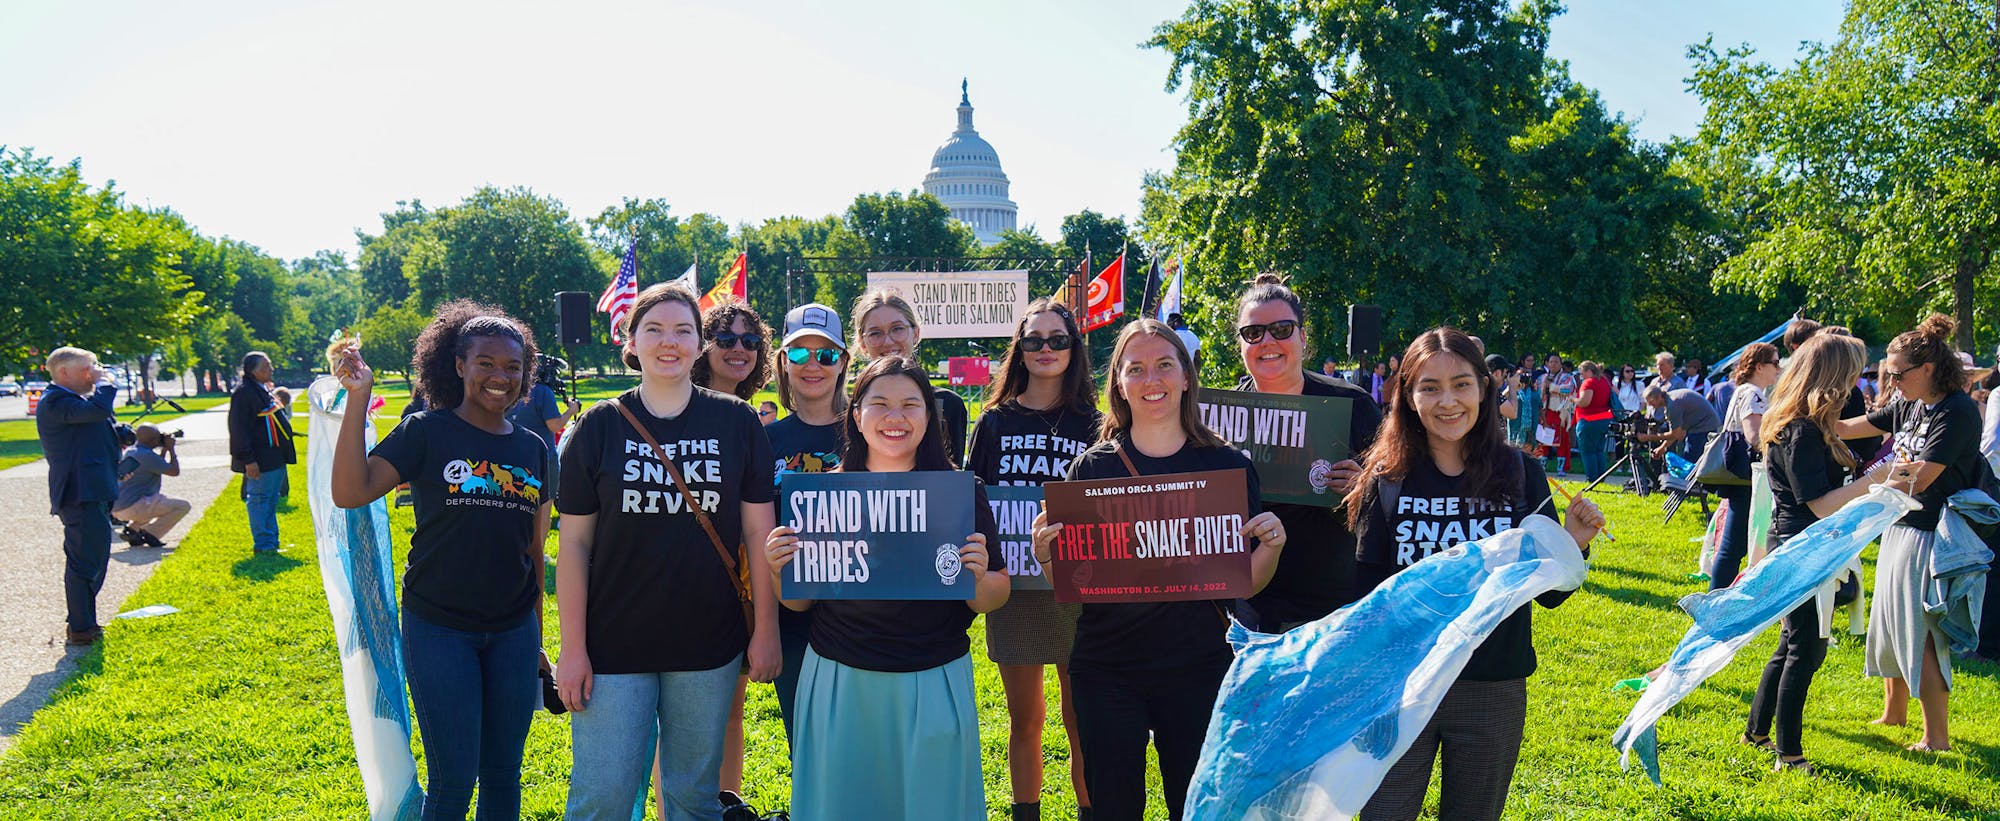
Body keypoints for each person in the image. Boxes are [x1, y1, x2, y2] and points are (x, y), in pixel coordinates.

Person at [1029, 319, 1290, 821]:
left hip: (1198, 663)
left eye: (1165, 365)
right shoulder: (1090, 469)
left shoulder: (1227, 465)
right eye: (1137, 368)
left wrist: (1272, 548)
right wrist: (1047, 560)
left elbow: (1245, 581)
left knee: (1194, 808)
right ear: (1120, 385)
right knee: (1113, 807)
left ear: (1187, 376)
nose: (1153, 380)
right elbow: (1075, 584)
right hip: (1106, 668)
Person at [1346, 328, 1604, 821]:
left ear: (1484, 390)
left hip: (1491, 685)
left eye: (1461, 384)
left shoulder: (1521, 474)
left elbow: (1546, 595)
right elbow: (1365, 596)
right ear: (1408, 395)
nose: (1448, 401)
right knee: (1384, 813)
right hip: (1403, 687)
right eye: (1430, 387)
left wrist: (1572, 544)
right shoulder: (1386, 477)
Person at [553, 283, 781, 817]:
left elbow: (758, 536)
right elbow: (575, 546)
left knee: (692, 797)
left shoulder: (736, 421)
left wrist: (765, 630)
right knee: (602, 796)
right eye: (653, 329)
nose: (669, 342)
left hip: (708, 644)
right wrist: (573, 647)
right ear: (630, 342)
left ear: (699, 344)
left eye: (684, 330)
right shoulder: (599, 426)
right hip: (613, 645)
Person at [329, 304, 554, 819]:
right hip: (439, 629)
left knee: (504, 776)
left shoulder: (536, 450)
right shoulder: (425, 432)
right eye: (486, 364)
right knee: (453, 780)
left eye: (513, 367)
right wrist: (358, 398)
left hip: (513, 633)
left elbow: (532, 552)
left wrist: (536, 641)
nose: (501, 377)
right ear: (458, 366)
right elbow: (349, 490)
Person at [766, 355, 1010, 819]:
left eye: (910, 405)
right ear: (855, 415)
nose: (895, 417)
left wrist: (979, 576)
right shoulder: (823, 495)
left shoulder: (958, 492)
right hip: (841, 678)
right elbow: (798, 602)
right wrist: (780, 569)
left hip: (931, 678)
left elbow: (994, 595)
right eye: (879, 404)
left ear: (928, 417)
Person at [967, 299, 1099, 821]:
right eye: (1034, 340)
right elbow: (973, 502)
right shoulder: (995, 421)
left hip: (1078, 585)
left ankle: (1091, 810)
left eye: (1058, 339)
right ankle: (1026, 812)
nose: (1046, 349)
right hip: (1015, 589)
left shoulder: (1097, 422)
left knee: (1079, 718)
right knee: (1025, 719)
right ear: (1018, 349)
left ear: (1074, 349)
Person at [1746, 332, 1898, 774]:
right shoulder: (1799, 429)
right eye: (1851, 375)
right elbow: (1821, 502)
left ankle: (1757, 731)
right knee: (1806, 649)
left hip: (1811, 545)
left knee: (1794, 643)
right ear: (1832, 376)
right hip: (1800, 547)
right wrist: (1876, 480)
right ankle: (1788, 754)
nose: (1857, 385)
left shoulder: (1813, 424)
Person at [1834, 314, 1984, 753]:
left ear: (1928, 370)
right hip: (1900, 523)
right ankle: (1894, 712)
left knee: (1922, 633)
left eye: (1898, 374)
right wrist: (1811, 414)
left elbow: (1923, 476)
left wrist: (1858, 492)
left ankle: (1936, 738)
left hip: (1931, 532)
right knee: (1888, 623)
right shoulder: (1913, 403)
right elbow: (1850, 427)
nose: (1892, 382)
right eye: (1889, 374)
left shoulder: (1956, 412)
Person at [1231, 273, 1381, 629]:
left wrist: (1366, 487)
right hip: (1253, 608)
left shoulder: (1351, 403)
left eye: (1281, 329)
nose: (1267, 341)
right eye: (1253, 333)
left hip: (1334, 607)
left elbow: (1396, 491)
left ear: (1302, 334)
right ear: (1241, 344)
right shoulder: (1220, 414)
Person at [687, 298, 776, 801]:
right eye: (725, 338)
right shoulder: (676, 403)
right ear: (703, 346)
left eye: (750, 340)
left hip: (738, 582)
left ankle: (723, 806)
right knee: (681, 723)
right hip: (679, 583)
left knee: (731, 710)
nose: (738, 349)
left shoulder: (749, 419)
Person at [759, 302, 850, 752]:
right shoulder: (768, 440)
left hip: (862, 615)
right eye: (798, 354)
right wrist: (765, 628)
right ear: (783, 363)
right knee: (807, 743)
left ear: (844, 363)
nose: (812, 365)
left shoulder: (869, 429)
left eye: (826, 355)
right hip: (792, 617)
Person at [35, 347, 120, 646]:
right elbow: (95, 412)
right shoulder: (54, 400)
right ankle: (82, 628)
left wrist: (120, 435)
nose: (94, 373)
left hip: (94, 488)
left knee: (95, 559)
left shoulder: (75, 401)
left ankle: (84, 620)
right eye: (88, 368)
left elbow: (93, 426)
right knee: (84, 562)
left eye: (95, 367)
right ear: (64, 373)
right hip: (78, 493)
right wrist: (108, 382)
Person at [851, 289, 968, 466]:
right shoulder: (846, 409)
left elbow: (951, 481)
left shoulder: (949, 405)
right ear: (861, 342)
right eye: (875, 333)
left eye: (897, 329)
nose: (888, 341)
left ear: (916, 333)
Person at [1708, 343, 1780, 589]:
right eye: (1775, 363)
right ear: (1759, 366)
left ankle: (1716, 595)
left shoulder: (1742, 390)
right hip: (1748, 474)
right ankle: (1716, 598)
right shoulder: (1753, 393)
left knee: (1733, 543)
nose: (1779, 369)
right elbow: (1754, 436)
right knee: (1734, 544)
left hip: (1737, 472)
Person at [228, 351, 292, 554]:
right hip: (259, 459)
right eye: (265, 367)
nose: (270, 369)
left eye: (270, 365)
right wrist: (248, 459)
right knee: (259, 499)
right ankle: (263, 544)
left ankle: (272, 542)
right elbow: (239, 429)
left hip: (273, 457)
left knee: (270, 499)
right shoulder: (244, 393)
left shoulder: (261, 390)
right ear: (252, 371)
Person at [112, 425, 189, 549]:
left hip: (118, 507)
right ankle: (152, 534)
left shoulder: (133, 451)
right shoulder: (147, 455)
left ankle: (133, 530)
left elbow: (157, 466)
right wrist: (171, 450)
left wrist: (163, 451)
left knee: (155, 503)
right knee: (183, 506)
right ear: (154, 440)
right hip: (133, 506)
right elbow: (174, 472)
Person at [1639, 386, 1721, 462]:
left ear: (1659, 397)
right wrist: (1662, 448)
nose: (1649, 405)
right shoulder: (1670, 399)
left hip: (1703, 428)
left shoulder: (1672, 405)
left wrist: (1648, 437)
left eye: (1651, 401)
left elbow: (1676, 435)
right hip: (1706, 424)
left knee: (1690, 463)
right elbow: (1679, 432)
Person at [1574, 362, 1615, 481]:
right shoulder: (1604, 380)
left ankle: (1592, 479)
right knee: (1599, 451)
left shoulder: (1589, 382)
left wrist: (1573, 399)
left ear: (1588, 371)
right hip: (1604, 419)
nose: (1582, 377)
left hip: (1589, 420)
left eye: (1582, 374)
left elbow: (1584, 402)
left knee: (1588, 451)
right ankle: (1601, 479)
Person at [1537, 356, 1576, 473]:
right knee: (1543, 439)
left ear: (1561, 364)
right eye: (1551, 362)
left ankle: (1561, 468)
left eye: (1556, 362)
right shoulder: (1542, 377)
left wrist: (1552, 387)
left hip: (1560, 412)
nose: (1553, 364)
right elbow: (1537, 391)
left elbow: (1569, 390)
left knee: (1562, 440)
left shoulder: (1568, 377)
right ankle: (1541, 466)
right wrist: (1545, 388)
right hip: (1545, 412)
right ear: (1547, 364)